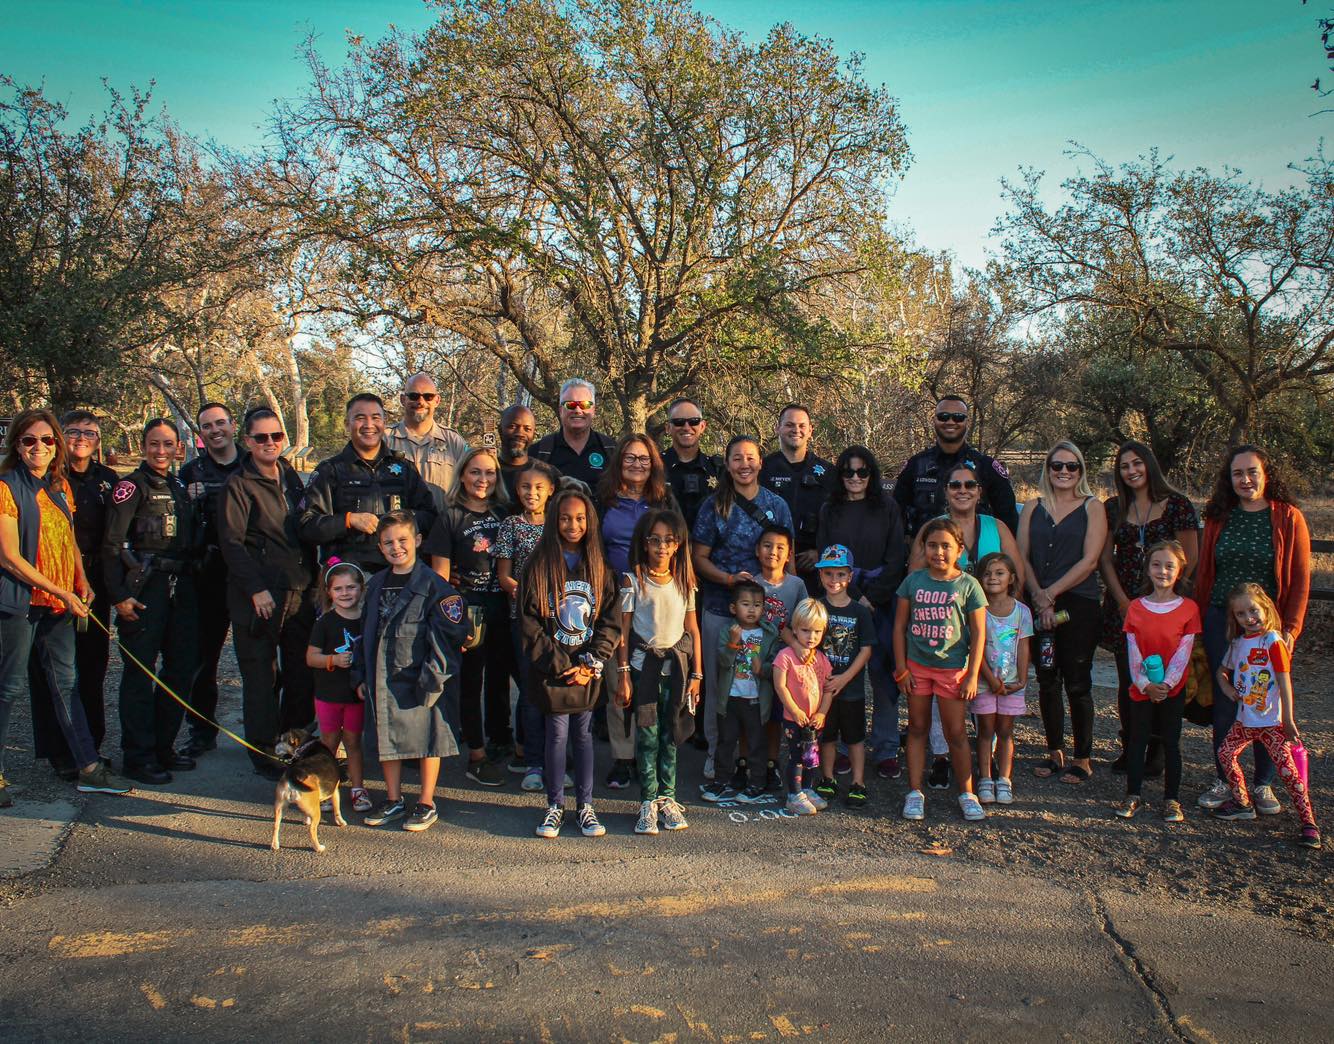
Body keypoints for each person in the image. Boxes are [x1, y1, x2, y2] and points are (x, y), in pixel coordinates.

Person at [0, 409, 130, 805]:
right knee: (9, 686)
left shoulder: (58, 486)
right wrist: (60, 590)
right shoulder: (6, 487)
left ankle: (88, 766)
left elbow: (68, 539)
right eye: (29, 440)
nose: (39, 447)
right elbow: (8, 557)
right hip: (20, 602)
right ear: (17, 446)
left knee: (67, 681)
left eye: (46, 440)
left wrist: (82, 582)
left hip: (58, 602)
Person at [1193, 445, 1310, 816]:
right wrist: (1198, 622)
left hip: (1265, 628)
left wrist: (1289, 629)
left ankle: (1263, 784)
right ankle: (1226, 779)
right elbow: (1206, 574)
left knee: (1264, 702)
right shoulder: (1218, 517)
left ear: (1266, 474)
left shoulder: (1288, 518)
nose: (1245, 480)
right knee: (1227, 700)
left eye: (1252, 472)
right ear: (1229, 480)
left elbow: (1300, 581)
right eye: (1237, 474)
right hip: (1220, 621)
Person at [906, 459, 1023, 790]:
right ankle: (942, 758)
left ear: (979, 491)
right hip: (945, 628)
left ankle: (988, 769)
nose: (962, 491)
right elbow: (915, 576)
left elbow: (1018, 571)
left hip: (991, 624)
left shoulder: (995, 526)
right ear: (945, 491)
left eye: (969, 485)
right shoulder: (934, 529)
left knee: (988, 692)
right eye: (955, 485)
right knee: (945, 693)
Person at [218, 408, 317, 779]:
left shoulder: (291, 476)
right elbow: (231, 543)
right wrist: (256, 589)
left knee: (299, 674)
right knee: (261, 677)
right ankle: (263, 756)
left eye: (276, 436)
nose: (270, 443)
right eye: (261, 438)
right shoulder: (238, 485)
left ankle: (292, 744)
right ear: (247, 441)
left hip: (299, 590)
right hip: (258, 596)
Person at [353, 511, 468, 832]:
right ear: (380, 547)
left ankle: (426, 801)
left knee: (428, 739)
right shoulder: (375, 584)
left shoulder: (435, 586)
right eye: (388, 542)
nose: (396, 547)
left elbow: (449, 636)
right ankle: (393, 798)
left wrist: (435, 676)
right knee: (387, 737)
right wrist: (360, 675)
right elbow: (365, 634)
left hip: (422, 677)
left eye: (403, 540)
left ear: (417, 541)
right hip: (382, 677)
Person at [102, 418, 202, 785]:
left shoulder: (179, 486)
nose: (161, 451)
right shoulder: (130, 488)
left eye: (168, 444)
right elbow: (112, 546)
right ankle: (138, 755)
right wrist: (120, 597)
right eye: (153, 444)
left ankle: (163, 746)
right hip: (144, 591)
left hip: (181, 589)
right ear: (143, 446)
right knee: (140, 675)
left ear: (179, 448)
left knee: (180, 670)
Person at [690, 435, 793, 778]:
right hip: (722, 607)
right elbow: (699, 557)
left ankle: (755, 756)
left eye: (750, 457)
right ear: (728, 464)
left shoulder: (777, 505)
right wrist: (728, 579)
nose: (744, 464)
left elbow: (788, 558)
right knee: (721, 682)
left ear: (761, 462)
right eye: (737, 458)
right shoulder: (714, 506)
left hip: (768, 615)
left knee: (761, 684)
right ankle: (717, 752)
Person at [522, 488, 621, 839]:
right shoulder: (539, 564)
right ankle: (554, 805)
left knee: (583, 735)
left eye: (580, 518)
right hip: (553, 671)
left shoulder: (599, 565)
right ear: (554, 520)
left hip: (587, 669)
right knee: (556, 734)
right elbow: (530, 621)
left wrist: (591, 662)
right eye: (565, 518)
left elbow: (610, 619)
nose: (573, 525)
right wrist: (559, 663)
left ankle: (586, 806)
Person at [1098, 440, 1199, 776]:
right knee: (1131, 681)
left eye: (1137, 463)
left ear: (1149, 465)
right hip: (1125, 608)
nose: (1131, 471)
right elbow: (1105, 559)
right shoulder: (1113, 507)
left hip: (1165, 610)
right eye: (1124, 466)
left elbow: (1191, 558)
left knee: (1164, 678)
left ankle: (1158, 750)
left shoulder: (1177, 505)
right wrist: (1124, 602)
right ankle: (1132, 747)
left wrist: (1168, 602)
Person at [27, 410, 117, 779]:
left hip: (93, 582)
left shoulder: (108, 481)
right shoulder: (47, 478)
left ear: (98, 441)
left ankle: (89, 746)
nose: (82, 438)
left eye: (90, 433)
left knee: (93, 666)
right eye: (73, 432)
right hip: (49, 580)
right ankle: (58, 752)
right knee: (50, 670)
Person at [1018, 441, 1107, 787]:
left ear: (1081, 470)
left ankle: (1082, 757)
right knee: (1047, 678)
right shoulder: (1032, 507)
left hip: (1078, 605)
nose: (1064, 472)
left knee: (1078, 681)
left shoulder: (1092, 507)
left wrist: (1050, 595)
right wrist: (1038, 597)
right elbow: (1021, 555)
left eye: (1072, 466)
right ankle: (1054, 750)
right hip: (1038, 603)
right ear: (1048, 469)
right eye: (1057, 466)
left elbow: (1091, 561)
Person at [817, 446, 906, 779]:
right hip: (841, 599)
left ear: (872, 474)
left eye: (862, 472)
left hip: (882, 601)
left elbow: (898, 557)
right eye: (848, 472)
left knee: (883, 677)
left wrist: (873, 597)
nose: (855, 478)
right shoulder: (830, 509)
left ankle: (885, 748)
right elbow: (827, 557)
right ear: (840, 475)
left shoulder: (888, 507)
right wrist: (853, 596)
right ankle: (841, 745)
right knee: (840, 674)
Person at [426, 447, 512, 787]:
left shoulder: (504, 513)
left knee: (501, 680)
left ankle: (503, 742)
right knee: (470, 684)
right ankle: (476, 755)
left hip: (502, 607)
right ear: (462, 475)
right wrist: (453, 623)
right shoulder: (450, 517)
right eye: (476, 472)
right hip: (469, 613)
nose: (483, 479)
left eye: (490, 473)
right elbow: (441, 579)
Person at [1211, 584, 1320, 849]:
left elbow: (1284, 681)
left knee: (1289, 773)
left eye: (1252, 610)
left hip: (1271, 723)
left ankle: (1308, 822)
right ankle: (1242, 802)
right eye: (1240, 614)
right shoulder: (1237, 643)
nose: (1248, 618)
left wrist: (1288, 720)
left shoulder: (1272, 640)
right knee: (1225, 753)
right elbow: (1221, 672)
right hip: (1244, 721)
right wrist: (1228, 689)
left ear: (1265, 607)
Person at [894, 518, 988, 823]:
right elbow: (899, 628)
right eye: (932, 545)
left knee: (956, 732)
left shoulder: (969, 585)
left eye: (946, 545)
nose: (939, 552)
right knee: (917, 729)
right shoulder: (913, 582)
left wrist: (973, 674)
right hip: (917, 668)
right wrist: (901, 669)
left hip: (952, 671)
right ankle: (914, 792)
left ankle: (967, 793)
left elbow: (979, 634)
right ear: (923, 548)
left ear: (959, 549)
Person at [597, 433, 677, 788]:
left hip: (653, 595)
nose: (637, 464)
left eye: (644, 459)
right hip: (612, 596)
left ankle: (655, 755)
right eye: (630, 458)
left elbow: (678, 543)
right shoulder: (604, 500)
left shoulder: (663, 500)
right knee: (618, 676)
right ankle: (623, 757)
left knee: (652, 679)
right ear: (619, 462)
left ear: (654, 463)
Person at [616, 509, 701, 835]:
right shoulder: (633, 581)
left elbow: (692, 629)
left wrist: (697, 675)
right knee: (648, 736)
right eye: (655, 540)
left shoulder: (684, 581)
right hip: (643, 670)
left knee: (671, 735)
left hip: (676, 671)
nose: (662, 547)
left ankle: (668, 798)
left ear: (678, 544)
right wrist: (624, 673)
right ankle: (647, 801)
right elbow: (624, 632)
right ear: (644, 542)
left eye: (669, 540)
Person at [299, 394, 437, 573]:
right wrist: (349, 520)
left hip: (399, 574)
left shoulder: (404, 469)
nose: (369, 425)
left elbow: (431, 518)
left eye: (375, 417)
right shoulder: (330, 471)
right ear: (347, 424)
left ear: (384, 423)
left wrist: (404, 518)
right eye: (360, 418)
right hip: (349, 580)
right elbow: (306, 525)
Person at [1113, 541, 1200, 823]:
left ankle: (1171, 799)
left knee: (1171, 743)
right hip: (1142, 689)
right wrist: (1144, 684)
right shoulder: (1136, 607)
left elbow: (1183, 652)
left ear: (1179, 571)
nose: (1162, 571)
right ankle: (1133, 794)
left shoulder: (1188, 609)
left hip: (1172, 690)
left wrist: (1166, 685)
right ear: (1148, 569)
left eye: (1169, 566)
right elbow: (1133, 650)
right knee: (1137, 740)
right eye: (1156, 565)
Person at [179, 402, 245, 758]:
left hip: (248, 575)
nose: (215, 430)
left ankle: (267, 732)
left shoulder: (253, 464)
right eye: (207, 426)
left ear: (233, 425)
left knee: (261, 660)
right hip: (207, 575)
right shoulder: (190, 473)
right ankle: (201, 732)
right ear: (200, 433)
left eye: (221, 422)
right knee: (203, 659)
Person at [495, 460, 561, 791]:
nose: (531, 493)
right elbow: (504, 576)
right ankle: (532, 759)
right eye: (525, 487)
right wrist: (529, 596)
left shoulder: (560, 522)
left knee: (559, 689)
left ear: (551, 490)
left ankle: (558, 758)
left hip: (560, 620)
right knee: (531, 689)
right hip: (523, 618)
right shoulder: (510, 525)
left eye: (538, 487)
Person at [891, 394, 1018, 537]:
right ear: (934, 420)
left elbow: (1008, 519)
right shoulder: (916, 465)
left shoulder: (986, 466)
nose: (950, 422)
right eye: (943, 416)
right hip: (924, 552)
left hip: (976, 554)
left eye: (958, 417)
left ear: (967, 422)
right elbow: (896, 515)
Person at [701, 579, 780, 805]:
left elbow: (775, 664)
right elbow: (723, 663)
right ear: (734, 608)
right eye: (746, 604)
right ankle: (721, 780)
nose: (752, 609)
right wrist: (734, 644)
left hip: (756, 699)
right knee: (726, 741)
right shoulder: (729, 631)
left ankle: (757, 783)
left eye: (757, 605)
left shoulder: (769, 634)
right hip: (730, 698)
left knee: (756, 742)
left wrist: (762, 669)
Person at [809, 545, 875, 809]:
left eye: (839, 575)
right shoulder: (817, 607)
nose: (833, 581)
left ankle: (858, 782)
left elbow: (866, 650)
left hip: (851, 687)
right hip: (822, 686)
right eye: (828, 574)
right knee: (827, 736)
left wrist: (845, 678)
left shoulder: (859, 611)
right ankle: (828, 778)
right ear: (821, 576)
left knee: (855, 737)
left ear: (849, 577)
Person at [306, 561, 371, 814]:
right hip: (328, 695)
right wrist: (332, 660)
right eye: (338, 588)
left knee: (354, 742)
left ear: (361, 589)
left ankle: (357, 788)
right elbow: (311, 658)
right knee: (329, 743)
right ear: (329, 592)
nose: (345, 593)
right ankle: (324, 788)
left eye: (351, 587)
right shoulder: (325, 622)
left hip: (355, 696)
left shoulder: (367, 621)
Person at [750, 523, 805, 790]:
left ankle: (772, 763)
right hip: (753, 659)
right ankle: (747, 763)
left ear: (789, 554)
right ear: (757, 550)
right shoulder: (751, 583)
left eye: (780, 547)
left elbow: (802, 620)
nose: (773, 552)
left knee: (775, 716)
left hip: (783, 662)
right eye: (767, 546)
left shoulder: (796, 585)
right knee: (750, 713)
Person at [975, 552, 1032, 806]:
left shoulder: (1022, 612)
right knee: (985, 730)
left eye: (999, 573)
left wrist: (1021, 679)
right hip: (984, 681)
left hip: (1012, 684)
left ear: (1011, 578)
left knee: (1006, 731)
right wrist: (990, 678)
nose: (992, 578)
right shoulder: (977, 610)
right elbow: (974, 648)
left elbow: (1023, 646)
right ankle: (985, 777)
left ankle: (1004, 779)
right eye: (987, 573)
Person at [771, 598, 833, 816]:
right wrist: (794, 710)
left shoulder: (822, 659)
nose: (812, 637)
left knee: (811, 756)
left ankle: (808, 788)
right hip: (793, 718)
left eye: (817, 631)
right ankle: (794, 794)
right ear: (795, 630)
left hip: (814, 720)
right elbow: (780, 686)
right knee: (796, 756)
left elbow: (828, 689)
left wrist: (822, 712)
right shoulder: (785, 657)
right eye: (806, 630)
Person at [759, 403, 835, 575]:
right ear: (777, 428)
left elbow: (839, 521)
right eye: (789, 425)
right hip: (770, 565)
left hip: (817, 567)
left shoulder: (828, 472)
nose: (796, 430)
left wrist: (822, 551)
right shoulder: (762, 469)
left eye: (802, 426)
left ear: (810, 430)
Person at [385, 372, 471, 512]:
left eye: (428, 396)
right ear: (402, 399)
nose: (421, 402)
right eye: (413, 396)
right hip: (398, 530)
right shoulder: (385, 439)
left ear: (437, 400)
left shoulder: (454, 441)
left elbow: (471, 485)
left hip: (442, 529)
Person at [530, 378, 617, 490]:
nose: (577, 410)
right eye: (570, 404)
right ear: (561, 410)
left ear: (593, 410)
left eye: (585, 405)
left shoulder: (612, 451)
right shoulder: (539, 453)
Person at [661, 397, 723, 530]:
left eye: (693, 421)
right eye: (679, 422)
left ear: (702, 426)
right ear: (668, 428)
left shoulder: (718, 469)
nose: (686, 427)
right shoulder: (655, 467)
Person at [497, 403, 538, 501]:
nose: (520, 433)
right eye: (512, 426)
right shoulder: (487, 472)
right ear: (500, 430)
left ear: (533, 434)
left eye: (527, 429)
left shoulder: (545, 474)